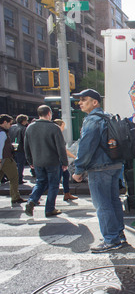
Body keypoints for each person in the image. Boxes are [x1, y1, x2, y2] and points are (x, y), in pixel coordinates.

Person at [72, 89, 126, 253]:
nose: (80, 103)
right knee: (113, 201)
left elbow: (86, 147)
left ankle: (111, 239)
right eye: (79, 100)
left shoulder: (92, 120)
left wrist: (78, 169)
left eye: (84, 99)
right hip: (115, 165)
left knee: (102, 205)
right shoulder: (108, 117)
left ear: (95, 102)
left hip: (99, 167)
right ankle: (119, 235)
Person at [24, 105, 68, 217]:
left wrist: (30, 161)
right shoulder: (54, 128)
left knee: (40, 182)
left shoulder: (30, 127)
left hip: (37, 161)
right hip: (52, 161)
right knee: (53, 185)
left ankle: (32, 200)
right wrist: (64, 162)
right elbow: (61, 147)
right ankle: (49, 208)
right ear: (49, 113)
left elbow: (26, 146)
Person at [0, 114, 26, 205]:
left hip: (3, 158)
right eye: (9, 124)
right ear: (4, 122)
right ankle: (15, 197)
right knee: (14, 177)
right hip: (5, 159)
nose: (10, 126)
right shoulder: (2, 132)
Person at [53, 119, 78, 201]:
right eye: (63, 125)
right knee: (55, 180)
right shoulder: (58, 134)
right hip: (58, 161)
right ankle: (36, 198)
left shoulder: (55, 134)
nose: (64, 128)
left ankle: (67, 193)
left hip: (58, 160)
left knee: (65, 176)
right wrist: (74, 157)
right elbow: (64, 150)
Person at [8, 114, 29, 184]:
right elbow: (25, 140)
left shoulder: (11, 127)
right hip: (20, 148)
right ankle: (19, 178)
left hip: (11, 148)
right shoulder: (23, 129)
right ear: (23, 121)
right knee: (20, 164)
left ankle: (12, 178)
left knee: (13, 164)